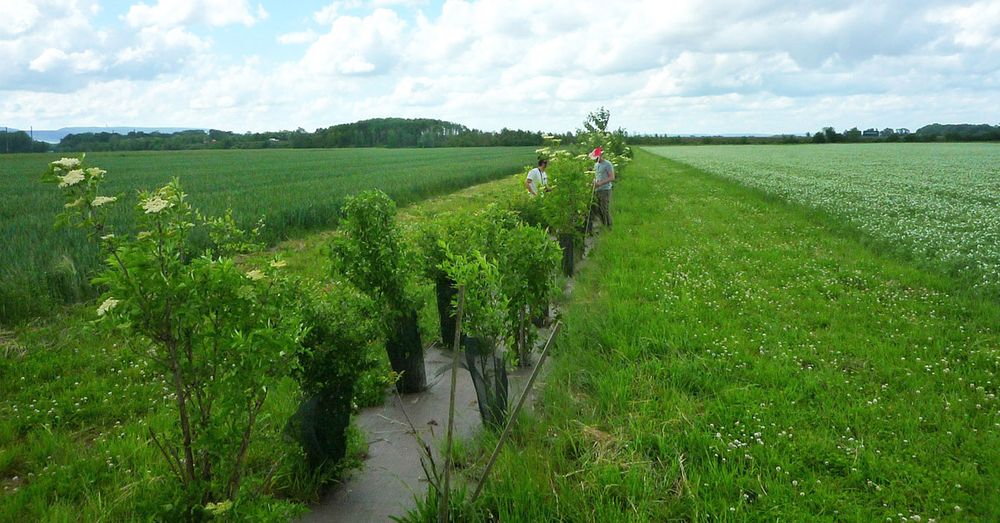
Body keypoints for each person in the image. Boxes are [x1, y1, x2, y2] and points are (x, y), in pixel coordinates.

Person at [589, 147, 614, 231]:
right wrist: (594, 182)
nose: (596, 160)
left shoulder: (607, 164)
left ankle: (609, 226)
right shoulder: (596, 165)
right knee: (598, 209)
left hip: (605, 190)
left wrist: (600, 183)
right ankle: (603, 224)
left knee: (604, 208)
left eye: (596, 158)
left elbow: (612, 177)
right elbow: (596, 176)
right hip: (597, 190)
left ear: (600, 156)